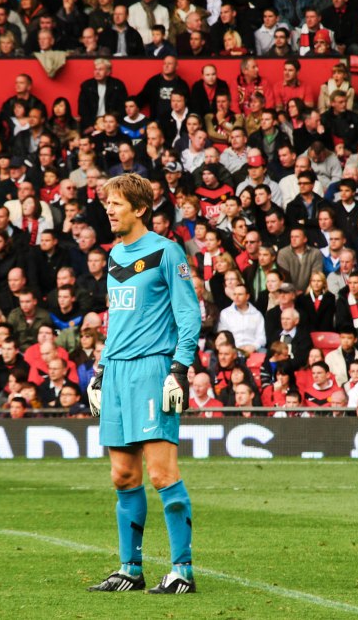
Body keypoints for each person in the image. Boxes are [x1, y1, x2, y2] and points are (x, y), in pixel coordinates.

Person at [87, 173, 201, 595]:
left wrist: (179, 369)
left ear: (139, 208)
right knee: (122, 475)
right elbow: (117, 320)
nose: (108, 210)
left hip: (153, 370)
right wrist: (99, 370)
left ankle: (182, 571)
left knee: (161, 473)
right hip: (116, 371)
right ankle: (130, 570)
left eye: (115, 203)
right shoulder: (116, 256)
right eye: (107, 204)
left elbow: (189, 314)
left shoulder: (167, 253)